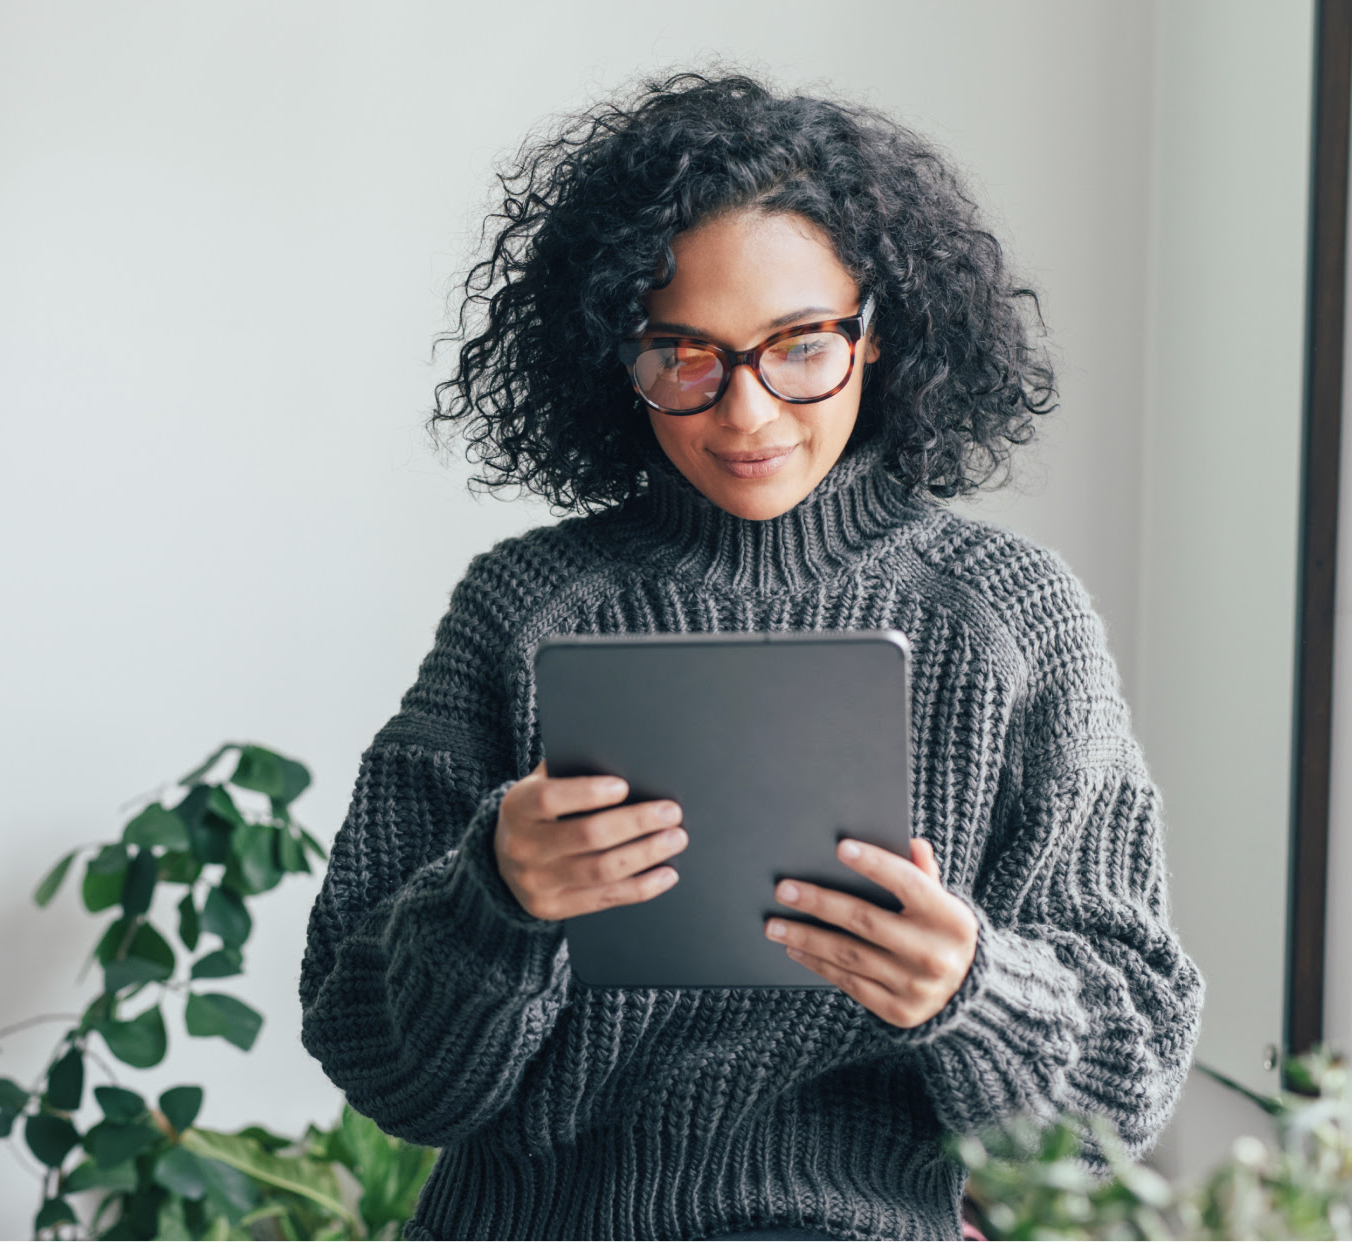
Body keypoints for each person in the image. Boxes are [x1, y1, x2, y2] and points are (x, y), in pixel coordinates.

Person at [297, 72, 1202, 1242]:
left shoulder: (1009, 619)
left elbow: (1112, 1104)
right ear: (610, 355)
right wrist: (495, 900)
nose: (746, 414)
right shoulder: (520, 608)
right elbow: (376, 1059)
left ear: (879, 334)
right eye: (683, 355)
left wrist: (969, 995)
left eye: (797, 347)